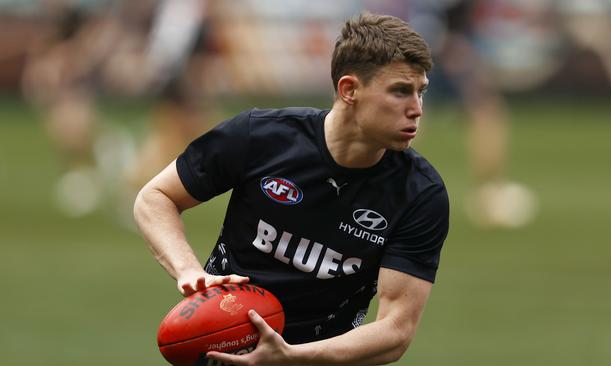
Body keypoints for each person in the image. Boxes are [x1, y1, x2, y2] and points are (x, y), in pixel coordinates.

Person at [134, 12, 449, 365]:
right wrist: (189, 271)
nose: (417, 109)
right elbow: (155, 197)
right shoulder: (261, 137)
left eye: (420, 92)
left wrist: (290, 357)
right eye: (400, 91)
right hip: (224, 350)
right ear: (349, 90)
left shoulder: (420, 193)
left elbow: (395, 331)